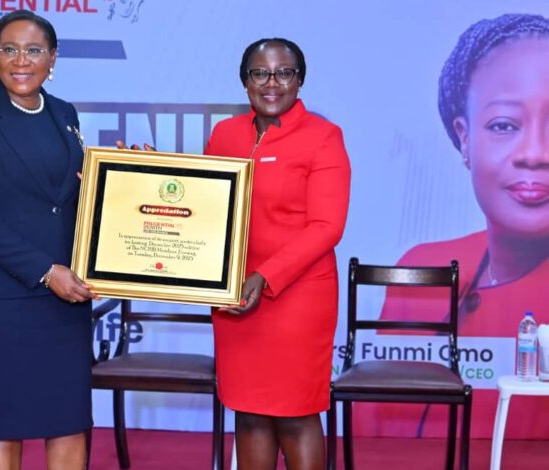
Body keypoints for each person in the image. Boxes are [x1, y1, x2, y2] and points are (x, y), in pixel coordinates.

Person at [376, 13, 549, 439]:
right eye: (504, 125)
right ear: (465, 137)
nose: (534, 153)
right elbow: (376, 422)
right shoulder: (421, 268)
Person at [0, 10, 97, 470]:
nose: (21, 60)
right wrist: (45, 271)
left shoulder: (63, 113)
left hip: (62, 299)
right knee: (3, 427)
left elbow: (72, 194)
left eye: (33, 50)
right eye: (8, 49)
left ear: (53, 57)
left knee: (68, 420)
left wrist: (132, 178)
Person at [206, 38, 351, 469]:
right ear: (245, 81)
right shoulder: (224, 133)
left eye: (284, 72)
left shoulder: (323, 137)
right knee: (248, 413)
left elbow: (327, 227)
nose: (272, 83)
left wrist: (265, 276)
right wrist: (149, 175)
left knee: (296, 414)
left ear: (299, 81)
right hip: (234, 295)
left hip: (297, 297)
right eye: (260, 73)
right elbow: (205, 202)